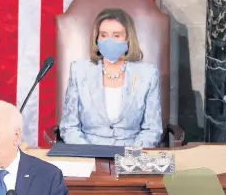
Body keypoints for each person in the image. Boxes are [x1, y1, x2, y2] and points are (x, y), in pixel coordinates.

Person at [59, 8, 163, 148]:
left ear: (128, 38)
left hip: (131, 154)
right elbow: (69, 127)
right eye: (103, 35)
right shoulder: (79, 70)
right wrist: (87, 154)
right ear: (97, 38)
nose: (109, 41)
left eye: (116, 35)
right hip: (88, 152)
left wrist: (132, 156)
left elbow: (152, 129)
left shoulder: (148, 74)